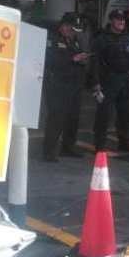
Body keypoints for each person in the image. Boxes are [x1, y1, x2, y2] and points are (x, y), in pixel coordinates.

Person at [42, 14, 89, 162]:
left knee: (72, 118)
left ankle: (68, 147)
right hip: (57, 84)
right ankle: (49, 151)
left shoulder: (73, 40)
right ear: (63, 26)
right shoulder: (52, 39)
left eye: (74, 29)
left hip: (73, 85)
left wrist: (82, 58)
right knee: (56, 118)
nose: (72, 31)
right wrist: (72, 59)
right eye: (70, 28)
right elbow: (50, 60)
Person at [92, 9, 129, 153]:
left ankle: (124, 142)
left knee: (125, 114)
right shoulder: (102, 39)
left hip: (125, 80)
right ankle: (100, 145)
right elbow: (95, 62)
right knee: (104, 114)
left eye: (123, 20)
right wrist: (96, 82)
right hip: (108, 80)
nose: (121, 22)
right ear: (111, 21)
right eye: (118, 19)